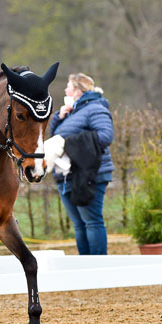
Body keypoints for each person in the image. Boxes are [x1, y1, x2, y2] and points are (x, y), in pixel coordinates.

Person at [46, 72, 114, 254]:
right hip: (67, 176)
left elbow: (105, 136)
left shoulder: (95, 108)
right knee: (79, 225)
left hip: (89, 173)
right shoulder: (70, 112)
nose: (65, 89)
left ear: (77, 90)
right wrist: (58, 117)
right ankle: (84, 271)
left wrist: (70, 144)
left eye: (68, 86)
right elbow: (54, 138)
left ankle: (98, 270)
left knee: (92, 222)